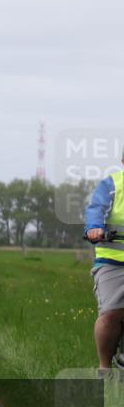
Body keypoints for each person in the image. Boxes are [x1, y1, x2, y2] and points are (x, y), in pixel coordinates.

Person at [84, 151, 124, 372]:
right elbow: (96, 209)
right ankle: (104, 368)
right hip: (113, 262)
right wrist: (94, 228)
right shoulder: (111, 185)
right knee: (110, 313)